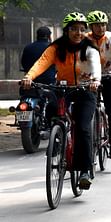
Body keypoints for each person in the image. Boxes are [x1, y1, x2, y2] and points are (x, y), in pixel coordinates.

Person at [21, 12, 101, 190]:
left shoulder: (89, 48)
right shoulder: (56, 48)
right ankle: (58, 140)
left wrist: (95, 80)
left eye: (81, 29)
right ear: (66, 31)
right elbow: (41, 63)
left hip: (86, 89)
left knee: (82, 127)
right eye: (74, 29)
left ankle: (85, 171)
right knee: (52, 111)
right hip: (63, 88)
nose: (78, 33)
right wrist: (28, 77)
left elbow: (95, 65)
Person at [86, 10, 111, 159]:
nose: (100, 28)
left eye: (103, 25)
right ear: (91, 26)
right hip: (90, 79)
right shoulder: (85, 39)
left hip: (109, 76)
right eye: (97, 25)